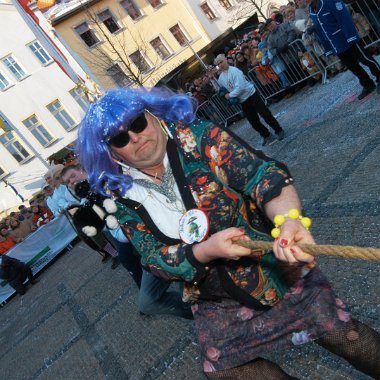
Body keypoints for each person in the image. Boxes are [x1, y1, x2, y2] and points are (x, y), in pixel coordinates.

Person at [76, 88, 380, 379]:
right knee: (224, 370)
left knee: (342, 334)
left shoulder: (198, 139)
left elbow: (261, 175)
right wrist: (205, 251)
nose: (134, 137)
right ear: (110, 152)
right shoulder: (121, 197)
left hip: (271, 268)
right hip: (215, 298)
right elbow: (153, 257)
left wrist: (289, 219)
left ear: (152, 114)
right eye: (119, 137)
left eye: (137, 123)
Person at [61, 164, 190, 318]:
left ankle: (200, 309)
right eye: (68, 182)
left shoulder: (109, 179)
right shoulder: (87, 202)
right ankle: (193, 311)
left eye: (73, 176)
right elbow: (117, 234)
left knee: (188, 285)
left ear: (82, 171)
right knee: (148, 302)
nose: (72, 182)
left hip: (171, 237)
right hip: (147, 249)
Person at [309, 0, 380, 100]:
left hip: (347, 38)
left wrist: (350, 36)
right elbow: (321, 31)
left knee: (365, 59)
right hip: (336, 44)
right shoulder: (311, 10)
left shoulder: (329, 1)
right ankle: (368, 84)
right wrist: (328, 48)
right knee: (352, 66)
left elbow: (344, 18)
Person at [214, 54, 285, 146]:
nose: (220, 64)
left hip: (251, 94)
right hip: (243, 101)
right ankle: (266, 135)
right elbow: (219, 89)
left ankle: (279, 130)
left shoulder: (235, 71)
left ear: (226, 60)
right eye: (218, 63)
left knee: (265, 114)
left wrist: (229, 95)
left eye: (221, 61)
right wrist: (212, 79)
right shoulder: (221, 78)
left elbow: (241, 87)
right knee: (253, 122)